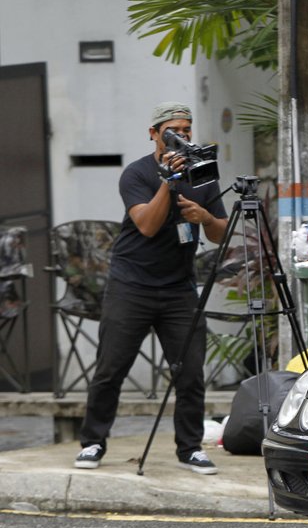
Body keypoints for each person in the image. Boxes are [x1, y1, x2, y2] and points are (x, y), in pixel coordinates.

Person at [74, 102, 228, 474]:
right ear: (154, 134)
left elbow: (222, 231)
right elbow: (146, 224)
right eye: (174, 130)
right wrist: (168, 181)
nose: (182, 136)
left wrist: (204, 216)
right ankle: (93, 442)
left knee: (190, 371)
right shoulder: (137, 174)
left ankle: (189, 448)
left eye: (187, 130)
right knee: (112, 368)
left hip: (179, 288)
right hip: (132, 284)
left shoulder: (203, 173)